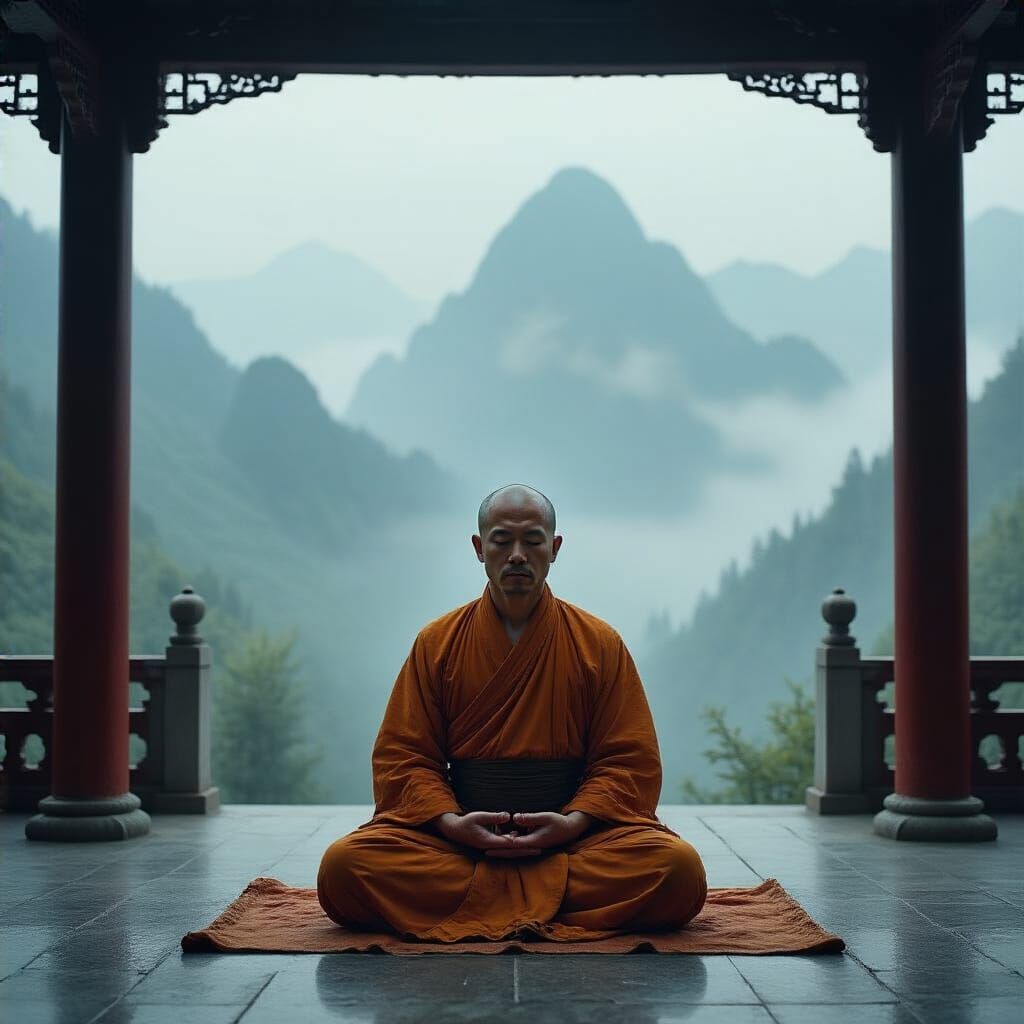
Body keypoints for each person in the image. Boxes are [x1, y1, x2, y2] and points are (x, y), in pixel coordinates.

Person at [317, 484, 707, 941]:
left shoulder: (598, 643)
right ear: (480, 549)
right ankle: (553, 905)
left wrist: (572, 823)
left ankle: (480, 902)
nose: (517, 555)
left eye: (533, 540)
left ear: (554, 548)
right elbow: (404, 757)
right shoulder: (437, 643)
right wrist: (452, 824)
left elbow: (628, 761)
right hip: (463, 840)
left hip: (572, 837)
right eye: (502, 541)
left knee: (678, 870)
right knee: (343, 867)